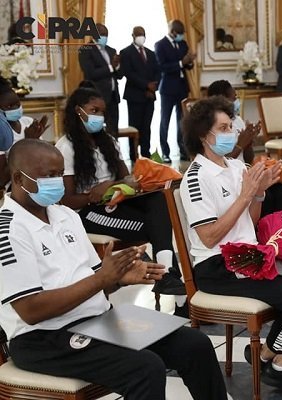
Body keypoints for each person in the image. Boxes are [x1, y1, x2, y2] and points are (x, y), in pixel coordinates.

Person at [0, 139, 228, 400]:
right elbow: (31, 310)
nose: (58, 183)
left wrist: (119, 279)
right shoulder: (9, 231)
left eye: (60, 174)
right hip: (43, 338)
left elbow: (99, 282)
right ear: (18, 178)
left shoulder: (66, 216)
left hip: (96, 320)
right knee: (145, 368)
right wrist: (101, 280)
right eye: (48, 176)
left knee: (195, 345)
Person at [180, 96, 282, 396]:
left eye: (230, 126)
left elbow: (250, 222)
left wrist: (259, 194)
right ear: (203, 136)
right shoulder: (196, 179)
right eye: (223, 128)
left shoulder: (236, 166)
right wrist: (244, 194)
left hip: (250, 256)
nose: (231, 133)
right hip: (217, 266)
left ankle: (271, 358)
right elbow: (209, 236)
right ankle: (278, 366)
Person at [55, 82, 187, 308]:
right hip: (87, 212)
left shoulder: (108, 142)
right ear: (79, 111)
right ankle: (177, 295)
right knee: (158, 227)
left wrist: (111, 185)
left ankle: (168, 280)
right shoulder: (66, 147)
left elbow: (128, 180)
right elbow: (66, 200)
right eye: (94, 111)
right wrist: (91, 196)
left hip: (117, 201)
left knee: (159, 200)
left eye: (102, 112)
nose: (100, 116)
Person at [206, 80, 282, 217]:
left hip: (243, 172)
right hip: (228, 179)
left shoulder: (237, 120)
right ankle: (258, 233)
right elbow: (219, 161)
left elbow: (248, 158)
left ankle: (275, 231)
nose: (236, 101)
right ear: (221, 100)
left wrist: (249, 141)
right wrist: (241, 143)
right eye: (233, 98)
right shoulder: (210, 126)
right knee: (267, 197)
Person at [155, 19, 196, 163]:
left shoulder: (183, 44)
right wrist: (181, 62)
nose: (181, 36)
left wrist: (190, 61)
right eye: (179, 33)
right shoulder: (160, 45)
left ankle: (183, 150)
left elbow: (187, 67)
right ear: (172, 32)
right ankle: (165, 152)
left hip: (181, 88)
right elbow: (162, 67)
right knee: (165, 120)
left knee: (182, 121)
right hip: (167, 89)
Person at [120, 26, 161, 159]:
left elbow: (157, 72)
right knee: (135, 126)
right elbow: (129, 73)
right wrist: (146, 86)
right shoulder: (125, 52)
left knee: (147, 126)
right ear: (132, 35)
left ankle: (146, 154)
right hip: (135, 96)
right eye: (138, 34)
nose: (140, 37)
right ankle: (134, 155)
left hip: (150, 97)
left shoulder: (151, 53)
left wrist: (154, 87)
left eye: (142, 34)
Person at [0, 79, 49, 190]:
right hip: (16, 185)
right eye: (10, 106)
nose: (16, 109)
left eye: (18, 104)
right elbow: (2, 179)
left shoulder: (27, 122)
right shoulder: (2, 133)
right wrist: (27, 142)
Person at [78, 23, 122, 137]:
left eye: (106, 35)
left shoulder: (111, 50)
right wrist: (111, 67)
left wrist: (117, 67)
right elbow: (90, 73)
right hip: (97, 97)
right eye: (102, 34)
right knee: (97, 132)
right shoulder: (85, 50)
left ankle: (114, 153)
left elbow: (119, 75)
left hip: (113, 96)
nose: (104, 37)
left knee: (113, 130)